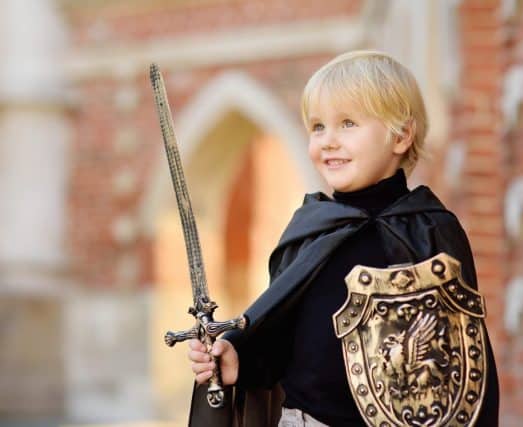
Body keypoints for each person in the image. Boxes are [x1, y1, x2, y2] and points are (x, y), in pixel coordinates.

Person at [187, 50, 499, 427]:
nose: (328, 141)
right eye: (318, 127)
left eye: (348, 123)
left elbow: (464, 362)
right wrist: (241, 359)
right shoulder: (311, 229)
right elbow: (279, 337)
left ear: (401, 135)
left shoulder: (430, 230)